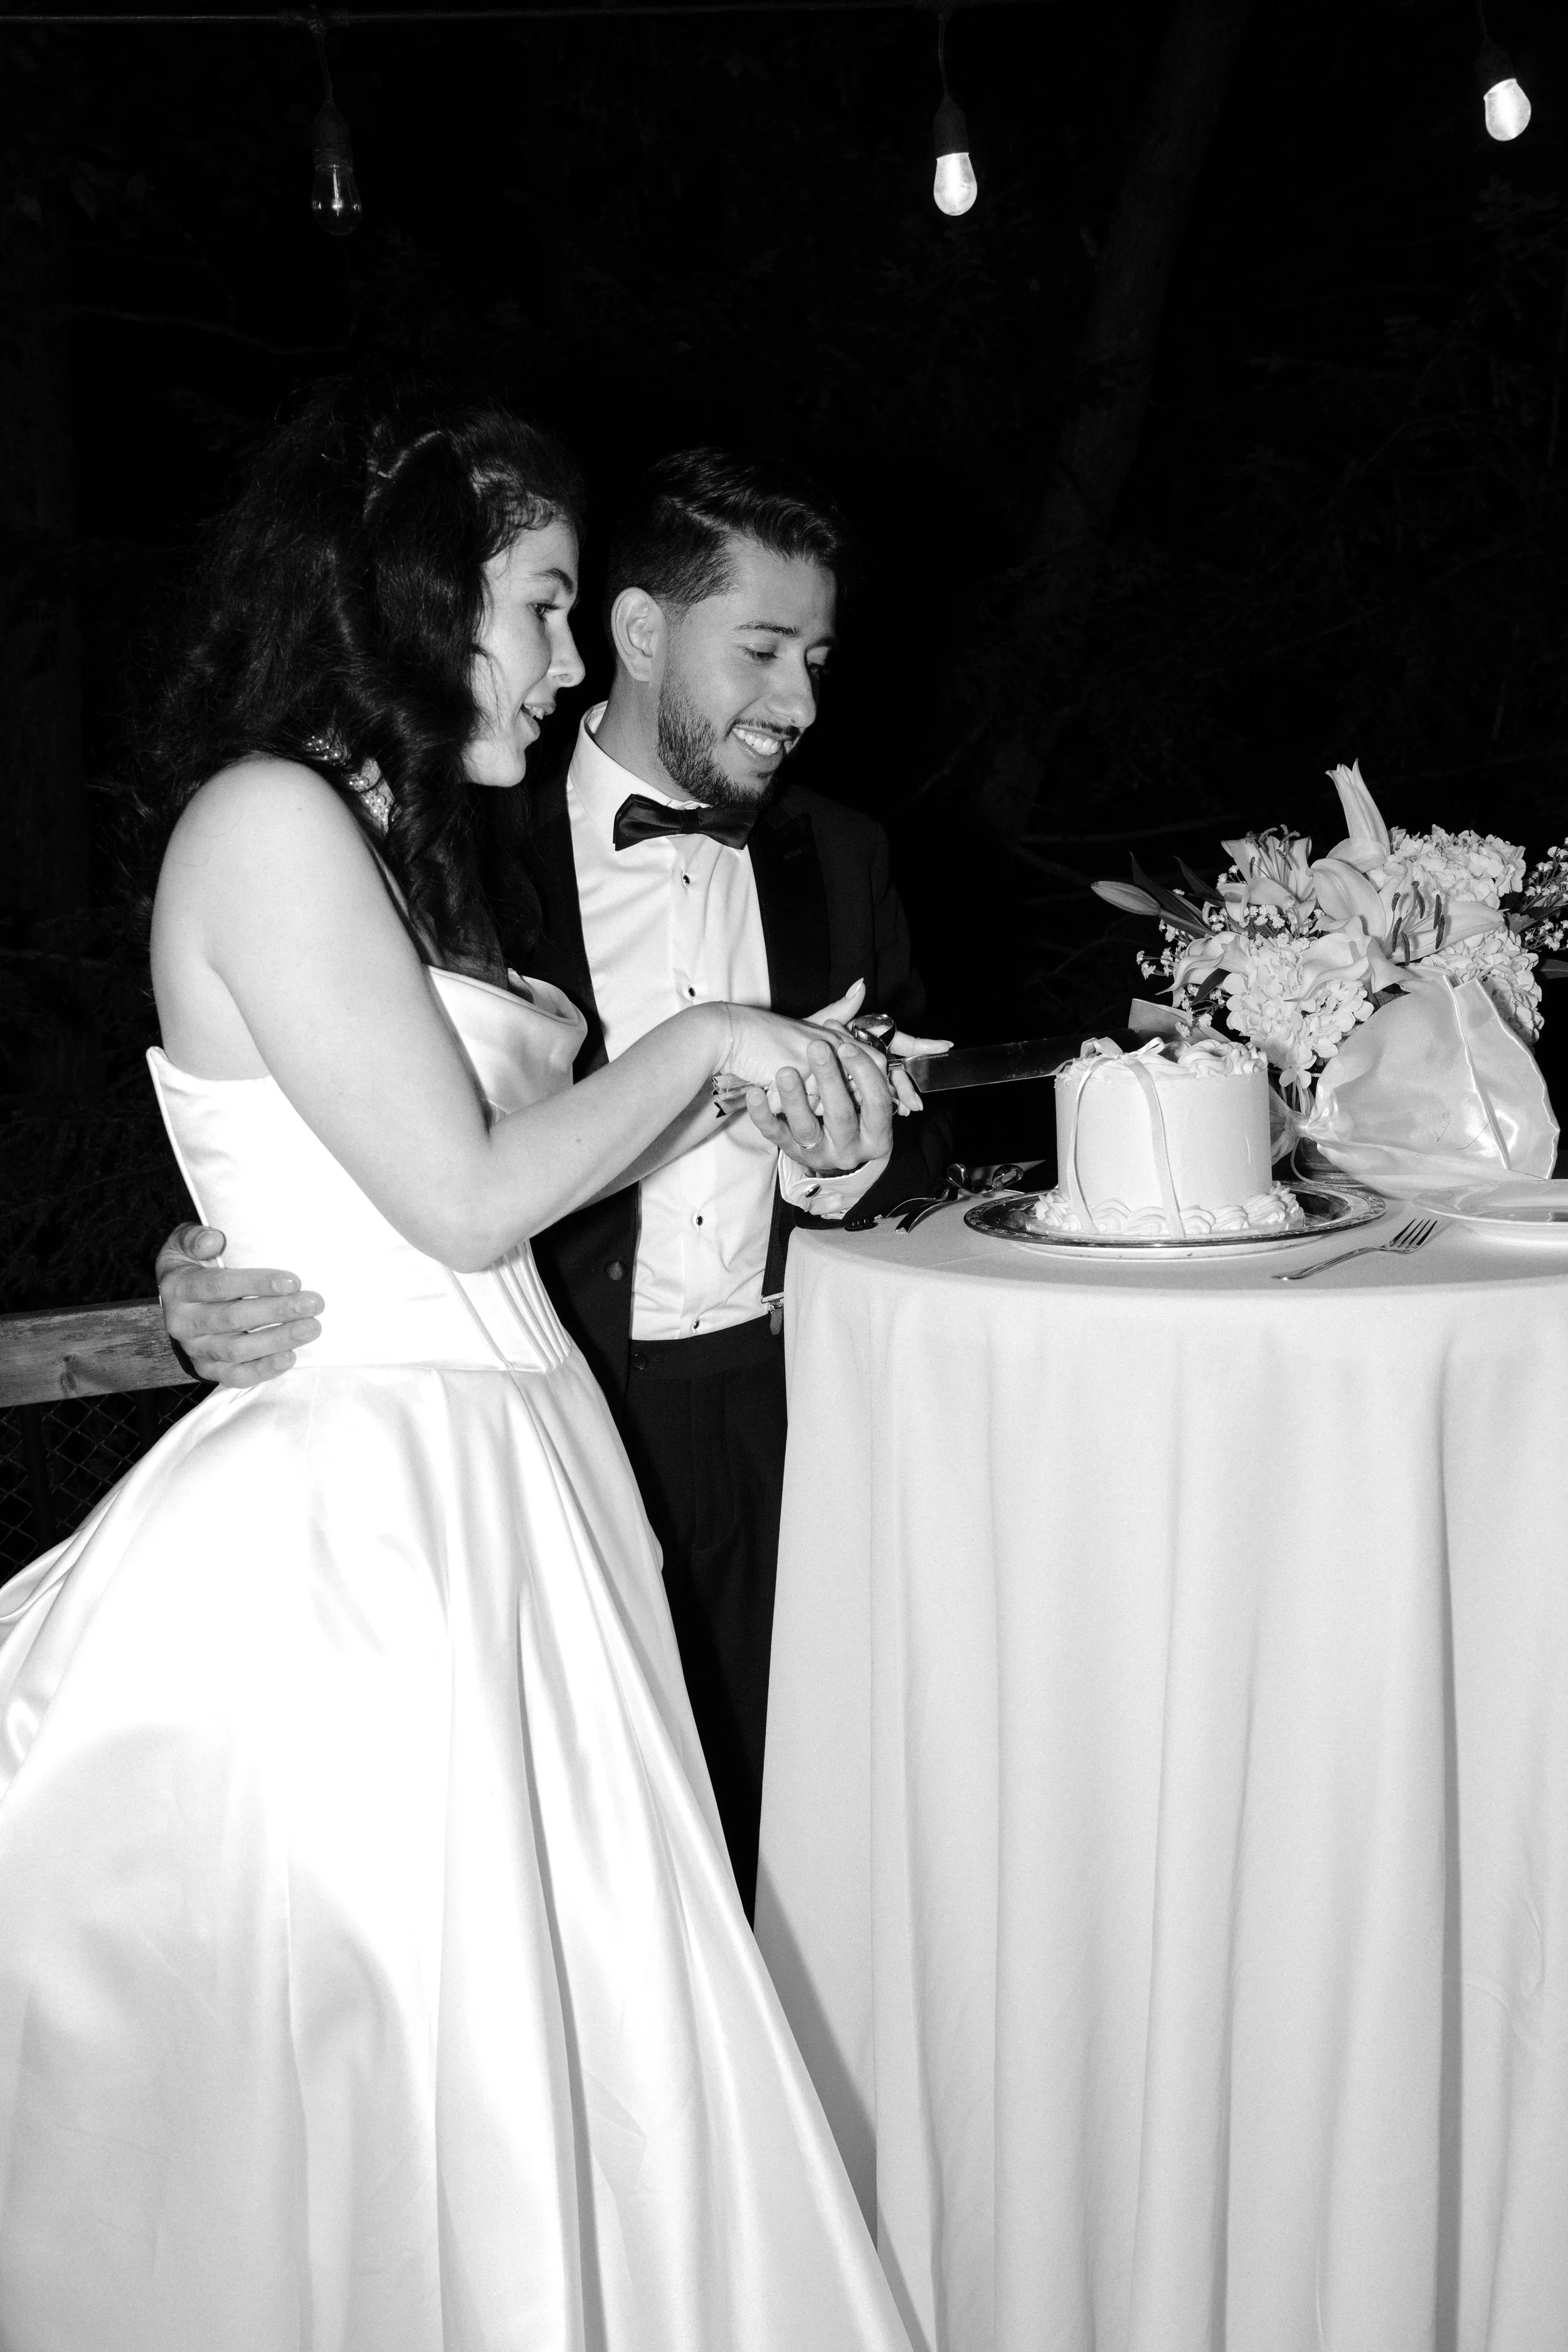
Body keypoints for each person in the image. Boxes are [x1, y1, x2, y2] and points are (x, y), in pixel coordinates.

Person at [0, 384, 913, 2351]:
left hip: (528, 1496)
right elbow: (455, 1193)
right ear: (410, 591)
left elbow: (391, 1129)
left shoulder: (432, 850)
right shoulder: (266, 818)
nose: (570, 656)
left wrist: (790, 1113)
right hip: (371, 1548)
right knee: (399, 2080)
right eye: (543, 605)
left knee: (582, 2065)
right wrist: (710, 1048)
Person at [159, 449, 951, 1914]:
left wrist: (858, 1165)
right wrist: (207, 1251)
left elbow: (927, 1133)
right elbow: (334, 1105)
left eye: (816, 657)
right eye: (763, 651)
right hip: (506, 1430)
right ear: (642, 636)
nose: (800, 700)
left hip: (779, 1422)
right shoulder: (462, 821)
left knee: (801, 1863)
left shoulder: (844, 858)